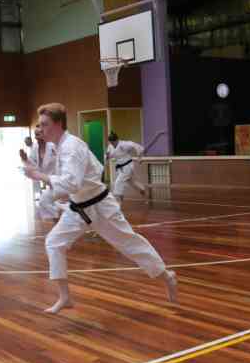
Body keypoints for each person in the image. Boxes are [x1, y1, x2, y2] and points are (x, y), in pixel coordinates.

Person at [23, 103, 177, 314]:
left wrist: (39, 176)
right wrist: (36, 171)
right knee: (54, 242)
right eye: (39, 125)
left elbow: (71, 183)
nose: (40, 129)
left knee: (129, 244)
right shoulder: (57, 147)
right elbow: (86, 171)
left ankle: (167, 276)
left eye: (44, 124)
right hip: (78, 209)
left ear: (58, 124)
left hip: (101, 207)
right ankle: (64, 297)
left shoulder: (71, 147)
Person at [20, 123, 62, 220]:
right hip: (50, 182)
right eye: (35, 135)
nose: (36, 137)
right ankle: (59, 216)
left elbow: (62, 160)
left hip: (60, 180)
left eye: (38, 134)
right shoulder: (35, 148)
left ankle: (61, 216)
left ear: (44, 134)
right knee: (44, 202)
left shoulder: (53, 146)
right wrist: (25, 159)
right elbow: (34, 165)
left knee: (49, 201)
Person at [105, 132, 146, 204]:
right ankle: (141, 189)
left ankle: (118, 199)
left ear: (117, 140)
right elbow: (108, 155)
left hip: (128, 166)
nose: (112, 144)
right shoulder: (110, 146)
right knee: (131, 181)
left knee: (118, 182)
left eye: (113, 142)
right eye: (111, 142)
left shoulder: (124, 144)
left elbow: (135, 145)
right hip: (121, 167)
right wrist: (107, 157)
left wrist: (139, 157)